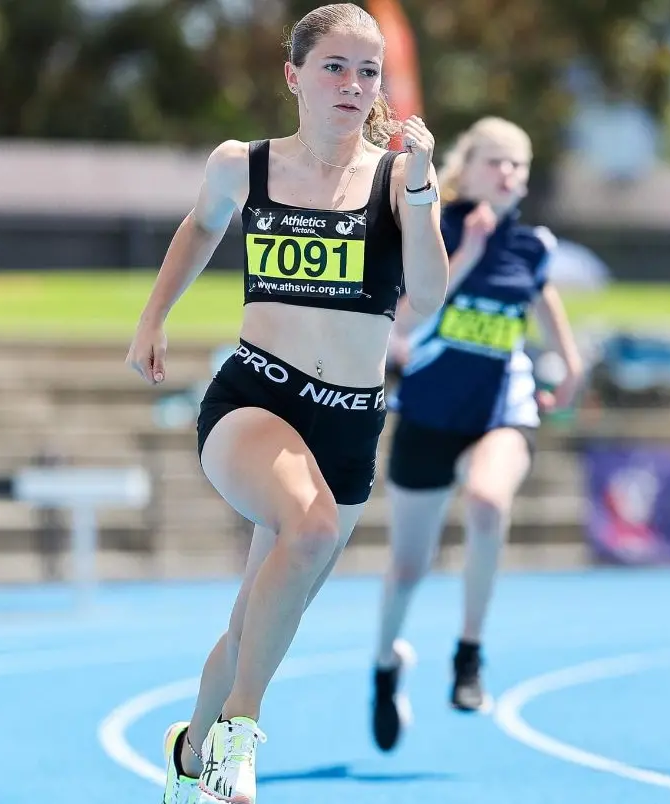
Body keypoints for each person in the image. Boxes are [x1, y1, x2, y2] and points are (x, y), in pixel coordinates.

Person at [124, 4, 449, 802]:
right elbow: (200, 228)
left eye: (367, 71)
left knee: (255, 621)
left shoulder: (391, 176)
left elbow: (431, 297)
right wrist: (153, 316)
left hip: (349, 422)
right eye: (334, 66)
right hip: (255, 398)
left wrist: (420, 188)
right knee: (308, 530)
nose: (352, 83)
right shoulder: (245, 164)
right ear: (294, 75)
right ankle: (240, 732)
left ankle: (191, 752)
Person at [368, 116, 584, 752]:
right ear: (466, 169)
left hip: (500, 411)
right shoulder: (434, 227)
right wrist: (466, 254)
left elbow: (545, 303)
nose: (508, 174)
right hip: (429, 415)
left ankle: (468, 654)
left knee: (489, 503)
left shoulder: (534, 245)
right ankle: (385, 665)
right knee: (408, 566)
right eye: (496, 161)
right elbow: (403, 327)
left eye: (518, 164)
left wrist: (569, 367)